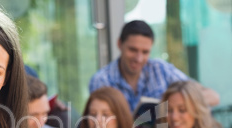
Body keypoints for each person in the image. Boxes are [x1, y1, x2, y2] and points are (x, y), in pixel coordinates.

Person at [88, 20, 219, 112]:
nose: (139, 58)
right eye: (133, 50)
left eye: (145, 52)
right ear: (119, 44)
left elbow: (213, 97)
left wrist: (176, 105)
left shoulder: (160, 69)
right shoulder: (102, 80)